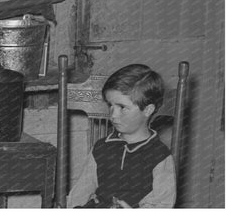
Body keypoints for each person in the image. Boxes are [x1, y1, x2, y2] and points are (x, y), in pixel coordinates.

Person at [67, 64, 176, 208]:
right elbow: (82, 190)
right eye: (110, 105)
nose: (113, 115)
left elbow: (162, 203)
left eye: (122, 108)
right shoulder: (102, 147)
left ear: (148, 110)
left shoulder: (159, 156)